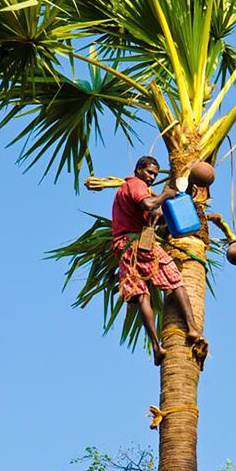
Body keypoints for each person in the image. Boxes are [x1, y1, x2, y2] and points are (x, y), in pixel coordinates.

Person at [86, 156, 201, 366]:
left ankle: (157, 347)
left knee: (141, 296)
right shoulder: (135, 185)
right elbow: (148, 203)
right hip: (139, 244)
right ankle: (192, 327)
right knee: (175, 280)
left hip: (123, 250)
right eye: (149, 172)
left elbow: (151, 211)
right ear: (138, 169)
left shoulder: (126, 190)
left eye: (155, 175)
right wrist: (166, 194)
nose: (151, 178)